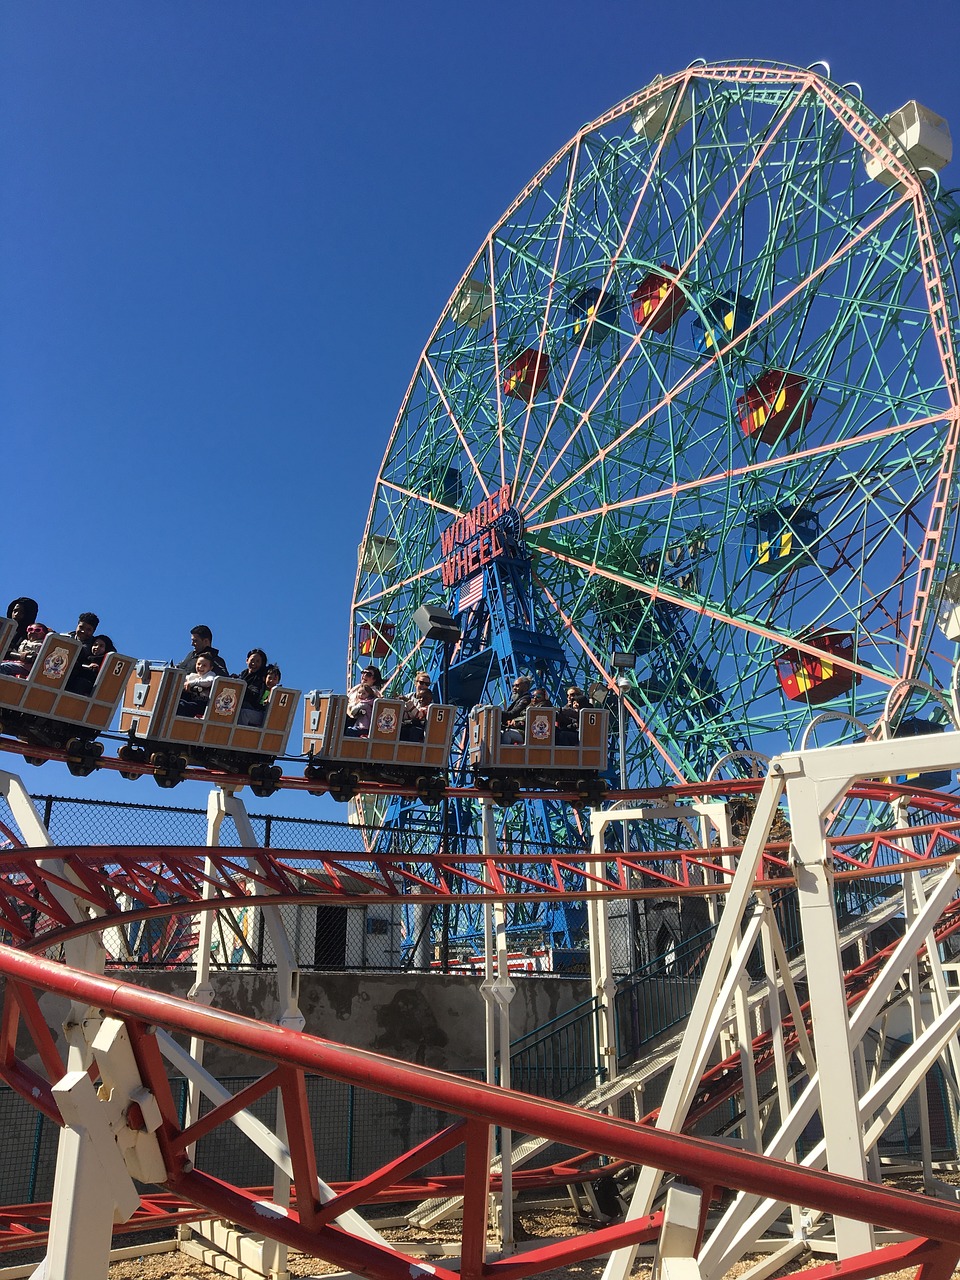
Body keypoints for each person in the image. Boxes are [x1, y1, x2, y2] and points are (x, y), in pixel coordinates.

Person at [65, 612, 101, 694]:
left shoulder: (95, 645)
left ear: (94, 631)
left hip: (78, 677)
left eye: (88, 629)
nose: (83, 631)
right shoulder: (66, 638)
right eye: (81, 627)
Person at [345, 665, 383, 736]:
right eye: (363, 673)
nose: (364, 675)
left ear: (374, 679)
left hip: (360, 722)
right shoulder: (355, 689)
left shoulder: (374, 693)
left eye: (368, 674)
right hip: (349, 716)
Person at [236, 648, 269, 726]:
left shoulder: (262, 678)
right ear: (247, 660)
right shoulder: (243, 674)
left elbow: (254, 696)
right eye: (252, 660)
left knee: (242, 711)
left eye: (258, 661)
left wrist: (240, 686)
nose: (254, 663)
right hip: (241, 705)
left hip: (256, 710)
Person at [177, 652, 216, 717]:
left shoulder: (210, 675)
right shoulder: (193, 676)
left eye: (204, 665)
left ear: (210, 668)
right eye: (198, 664)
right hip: (191, 700)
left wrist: (192, 683)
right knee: (177, 702)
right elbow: (181, 680)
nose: (200, 667)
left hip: (201, 703)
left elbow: (209, 681)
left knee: (182, 706)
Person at [401, 671, 433, 741]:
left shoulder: (429, 703)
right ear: (415, 683)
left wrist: (407, 702)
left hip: (416, 733)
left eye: (427, 684)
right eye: (421, 683)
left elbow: (418, 716)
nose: (424, 686)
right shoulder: (408, 696)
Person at [501, 675, 532, 744]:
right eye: (513, 686)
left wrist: (496, 712)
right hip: (516, 729)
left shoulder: (525, 699)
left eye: (517, 686)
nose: (514, 688)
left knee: (506, 734)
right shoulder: (519, 699)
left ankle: (504, 754)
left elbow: (513, 713)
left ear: (526, 686)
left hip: (524, 731)